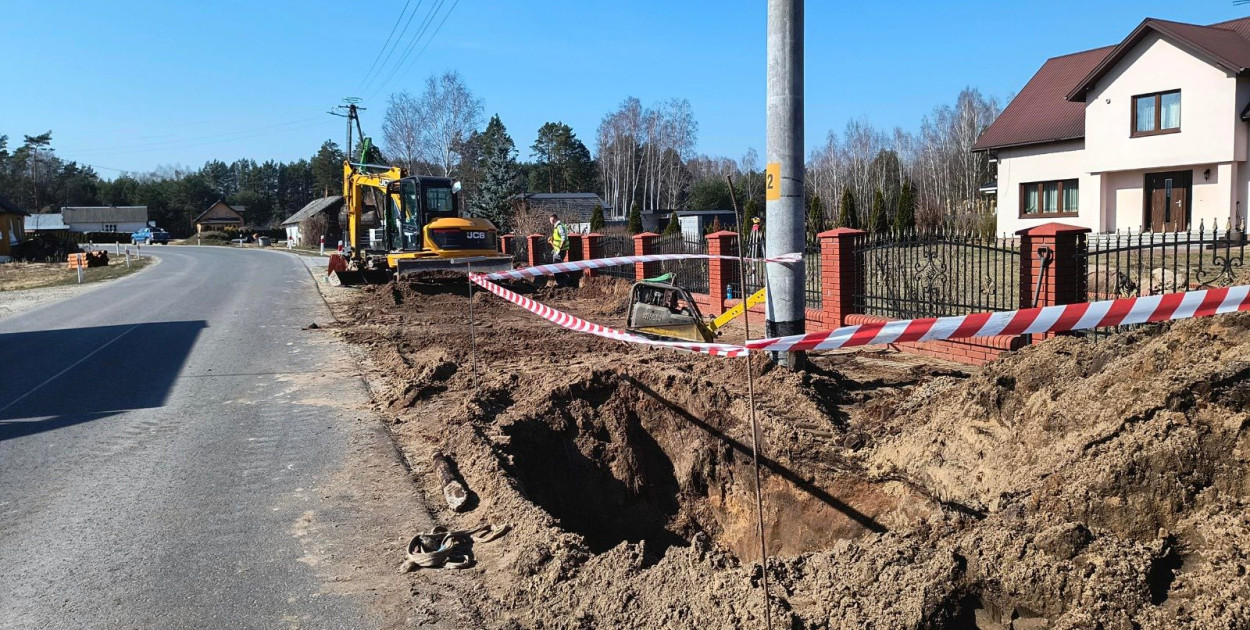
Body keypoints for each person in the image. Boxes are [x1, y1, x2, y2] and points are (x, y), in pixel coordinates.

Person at [548, 213, 572, 287]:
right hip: (558, 250)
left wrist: (560, 247)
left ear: (553, 219)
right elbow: (559, 237)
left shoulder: (559, 226)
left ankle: (563, 281)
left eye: (550, 221)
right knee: (557, 267)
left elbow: (563, 237)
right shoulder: (558, 226)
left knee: (556, 267)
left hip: (559, 250)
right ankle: (563, 281)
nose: (550, 223)